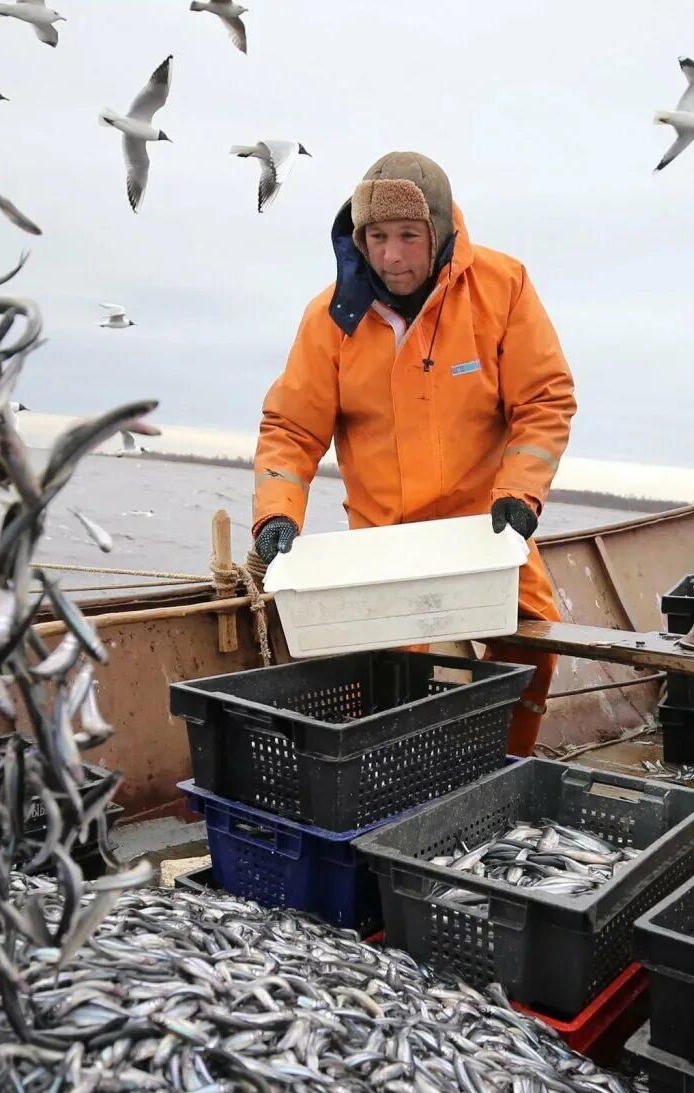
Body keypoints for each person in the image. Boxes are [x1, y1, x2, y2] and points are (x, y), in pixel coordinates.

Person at [250, 151, 576, 756]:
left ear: (440, 232)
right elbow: (292, 429)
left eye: (408, 235)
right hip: (382, 536)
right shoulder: (329, 319)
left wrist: (521, 493)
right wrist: (276, 513)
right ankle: (394, 776)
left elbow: (544, 400)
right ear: (359, 240)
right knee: (382, 675)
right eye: (376, 237)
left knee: (533, 641)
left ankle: (504, 764)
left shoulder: (503, 287)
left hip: (487, 525)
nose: (391, 256)